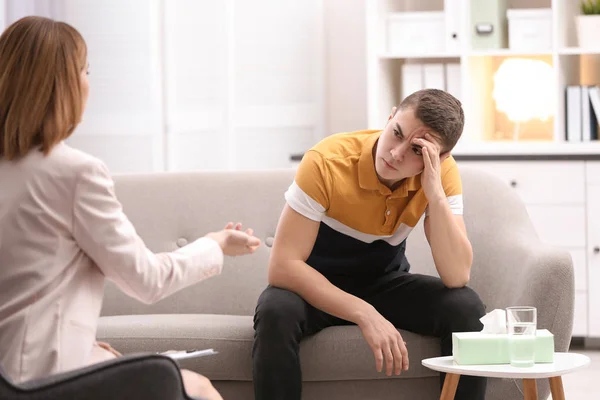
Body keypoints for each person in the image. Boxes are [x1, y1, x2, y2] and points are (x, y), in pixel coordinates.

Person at [0, 16, 260, 400]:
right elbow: (147, 280)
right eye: (85, 70)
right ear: (62, 85)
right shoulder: (75, 173)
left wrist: (85, 348)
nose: (90, 82)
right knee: (198, 388)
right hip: (43, 382)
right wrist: (215, 243)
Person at [252, 88, 487, 400]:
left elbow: (457, 276)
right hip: (313, 287)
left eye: (417, 150)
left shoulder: (441, 175)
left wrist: (435, 193)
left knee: (466, 306)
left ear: (439, 158)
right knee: (275, 311)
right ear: (389, 117)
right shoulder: (326, 161)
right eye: (396, 133)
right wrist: (365, 314)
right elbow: (283, 267)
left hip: (384, 283)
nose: (395, 153)